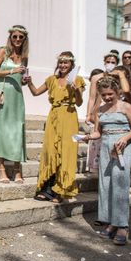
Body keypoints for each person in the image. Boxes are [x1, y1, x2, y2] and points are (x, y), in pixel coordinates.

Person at [84, 76, 131, 246]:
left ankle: (122, 225)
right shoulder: (99, 110)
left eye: (110, 94)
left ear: (117, 91)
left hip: (123, 147)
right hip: (106, 146)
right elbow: (98, 133)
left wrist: (124, 138)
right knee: (106, 183)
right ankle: (110, 222)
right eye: (104, 94)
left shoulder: (127, 107)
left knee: (120, 183)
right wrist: (87, 137)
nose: (107, 97)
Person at [27, 52, 85, 203]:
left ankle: (61, 190)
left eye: (66, 63)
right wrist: (29, 82)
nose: (63, 65)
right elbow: (35, 93)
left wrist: (76, 89)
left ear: (72, 65)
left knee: (66, 153)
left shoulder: (77, 80)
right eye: (61, 62)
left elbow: (79, 103)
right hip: (53, 116)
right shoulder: (52, 79)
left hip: (69, 116)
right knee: (50, 152)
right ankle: (46, 189)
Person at [0, 25, 29, 183]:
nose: (17, 40)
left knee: (17, 130)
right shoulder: (3, 51)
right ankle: (1, 168)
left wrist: (25, 80)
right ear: (10, 37)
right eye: (14, 36)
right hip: (3, 95)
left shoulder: (24, 56)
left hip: (17, 96)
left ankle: (17, 169)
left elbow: (22, 78)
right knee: (1, 130)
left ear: (25, 39)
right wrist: (12, 71)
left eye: (20, 37)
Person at [87, 51, 131, 123]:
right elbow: (92, 98)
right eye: (108, 62)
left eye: (113, 62)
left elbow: (126, 90)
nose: (110, 64)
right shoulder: (95, 77)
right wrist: (88, 114)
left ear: (116, 64)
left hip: (114, 106)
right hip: (99, 106)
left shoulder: (119, 77)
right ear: (104, 62)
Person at [85, 68, 104, 174]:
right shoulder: (95, 85)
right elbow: (92, 99)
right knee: (95, 141)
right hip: (97, 113)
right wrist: (89, 114)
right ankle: (92, 165)